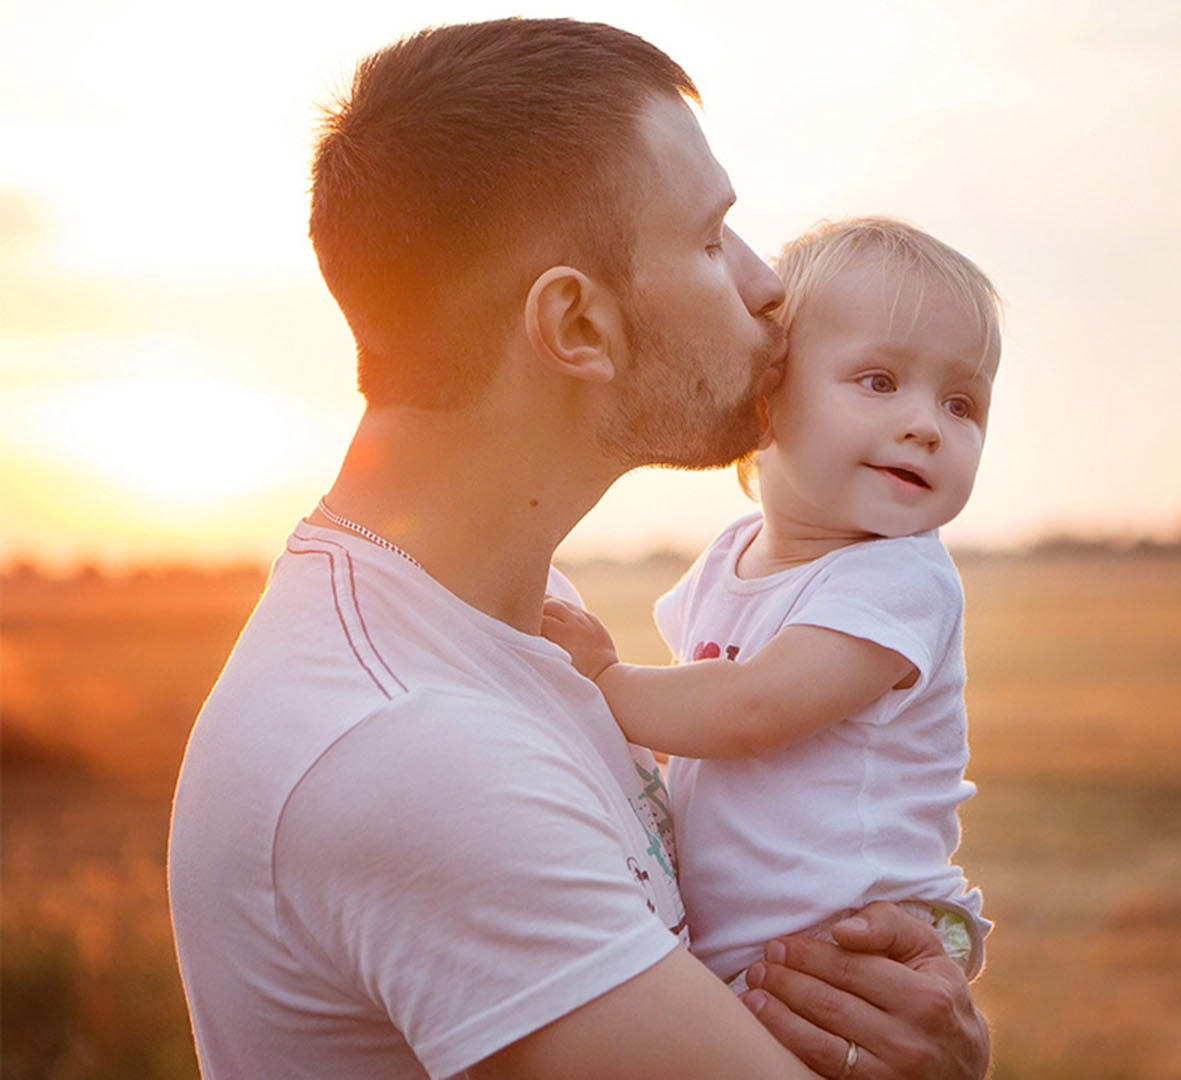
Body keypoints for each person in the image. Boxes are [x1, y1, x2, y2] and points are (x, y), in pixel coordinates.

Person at [165, 18, 989, 1080]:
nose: (768, 286)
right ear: (577, 326)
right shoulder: (410, 749)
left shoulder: (506, 611)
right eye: (708, 241)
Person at [540, 217, 1000, 993]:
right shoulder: (729, 558)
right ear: (765, 399)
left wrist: (607, 684)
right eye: (880, 382)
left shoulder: (899, 577)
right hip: (751, 956)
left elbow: (752, 710)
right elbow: (694, 729)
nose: (926, 425)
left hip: (854, 955)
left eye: (962, 404)